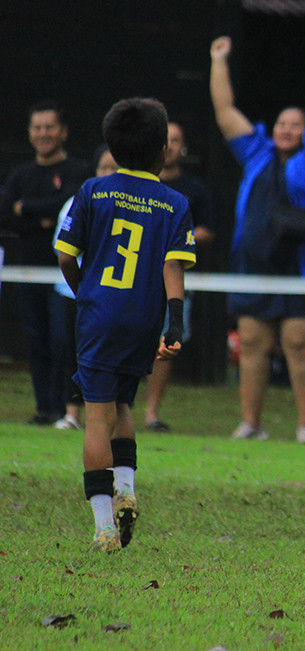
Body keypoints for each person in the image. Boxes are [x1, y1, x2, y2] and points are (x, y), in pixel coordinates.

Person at [55, 97, 196, 552]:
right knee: (123, 405)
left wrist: (85, 292)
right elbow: (173, 269)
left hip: (100, 316)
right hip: (143, 320)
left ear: (111, 150)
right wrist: (173, 323)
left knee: (97, 416)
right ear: (163, 151)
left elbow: (65, 254)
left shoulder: (93, 191)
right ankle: (127, 488)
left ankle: (103, 528)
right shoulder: (174, 203)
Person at [209, 36, 305, 444]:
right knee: (254, 343)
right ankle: (250, 423)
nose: (287, 129)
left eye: (295, 124)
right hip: (255, 262)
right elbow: (225, 112)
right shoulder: (256, 153)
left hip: (303, 264)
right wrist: (218, 60)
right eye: (281, 123)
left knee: (298, 344)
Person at [0, 100, 91, 425]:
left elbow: (66, 208)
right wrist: (39, 220)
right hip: (26, 269)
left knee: (62, 340)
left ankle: (66, 409)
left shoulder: (77, 172)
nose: (43, 134)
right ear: (29, 133)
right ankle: (44, 409)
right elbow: (6, 213)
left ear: (63, 131)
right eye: (37, 127)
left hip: (64, 275)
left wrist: (27, 210)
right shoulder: (21, 174)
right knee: (36, 340)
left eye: (49, 127)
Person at [143, 121, 217, 432]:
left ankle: (151, 412)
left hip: (173, 278)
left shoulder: (195, 190)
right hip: (138, 277)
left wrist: (174, 238)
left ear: (183, 147)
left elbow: (206, 231)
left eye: (176, 140)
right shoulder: (140, 186)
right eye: (165, 140)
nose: (170, 146)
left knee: (165, 344)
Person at [51, 145, 121, 432]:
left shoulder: (133, 208)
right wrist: (83, 289)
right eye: (103, 167)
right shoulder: (79, 202)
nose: (108, 174)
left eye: (114, 168)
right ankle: (72, 414)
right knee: (72, 352)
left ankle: (109, 415)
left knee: (109, 359)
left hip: (113, 297)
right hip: (75, 293)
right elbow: (64, 253)